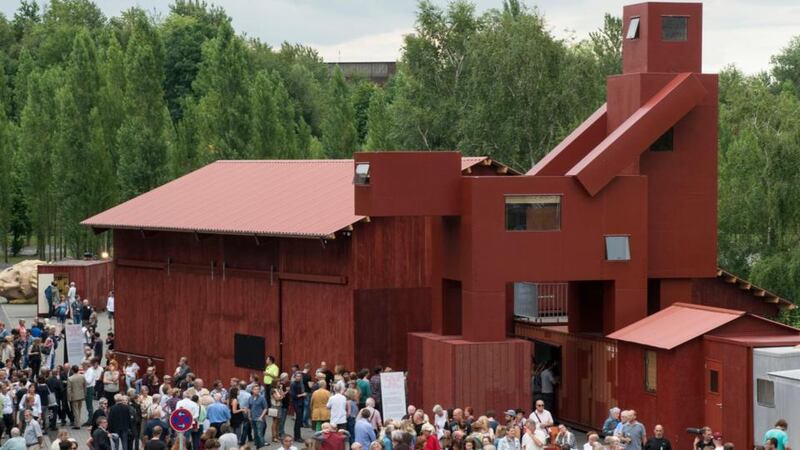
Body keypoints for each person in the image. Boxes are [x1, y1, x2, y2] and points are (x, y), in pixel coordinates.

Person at [66, 365, 86, 429]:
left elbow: (69, 389)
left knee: (75, 411)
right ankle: (78, 422)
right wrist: (85, 394)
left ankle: (77, 425)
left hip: (74, 396)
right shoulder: (82, 377)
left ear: (72, 370)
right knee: (79, 410)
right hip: (81, 395)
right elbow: (84, 386)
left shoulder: (70, 378)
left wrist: (69, 398)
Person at [249, 384, 269, 449]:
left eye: (258, 389)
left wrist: (261, 417)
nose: (257, 391)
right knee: (255, 433)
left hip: (259, 419)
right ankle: (257, 445)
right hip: (253, 418)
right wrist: (249, 416)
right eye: (255, 389)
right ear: (252, 390)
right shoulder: (250, 398)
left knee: (259, 433)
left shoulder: (262, 398)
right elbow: (249, 407)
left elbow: (265, 408)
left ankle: (262, 447)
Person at [290, 372, 308, 441]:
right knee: (298, 420)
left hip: (301, 403)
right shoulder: (293, 384)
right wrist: (302, 395)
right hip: (296, 404)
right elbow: (293, 396)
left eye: (300, 376)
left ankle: (297, 436)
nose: (299, 377)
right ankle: (297, 437)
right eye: (297, 376)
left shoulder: (301, 383)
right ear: (295, 377)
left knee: (299, 420)